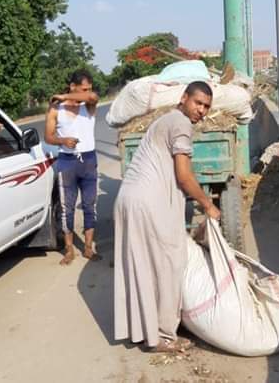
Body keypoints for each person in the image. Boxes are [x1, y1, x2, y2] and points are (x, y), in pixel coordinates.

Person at [113, 81, 221, 353]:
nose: (202, 111)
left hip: (128, 199)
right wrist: (208, 204)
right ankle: (162, 336)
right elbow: (184, 177)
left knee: (141, 266)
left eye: (207, 106)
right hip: (147, 203)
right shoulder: (181, 123)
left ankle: (142, 332)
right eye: (198, 103)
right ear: (184, 98)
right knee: (169, 264)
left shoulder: (165, 120)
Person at [45, 69, 102, 265]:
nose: (87, 92)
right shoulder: (56, 110)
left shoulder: (89, 106)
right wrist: (62, 140)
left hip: (88, 160)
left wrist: (64, 95)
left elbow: (93, 97)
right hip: (67, 161)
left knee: (89, 205)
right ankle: (69, 250)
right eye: (83, 89)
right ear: (73, 86)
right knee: (66, 208)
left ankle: (87, 248)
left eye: (89, 89)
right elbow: (48, 136)